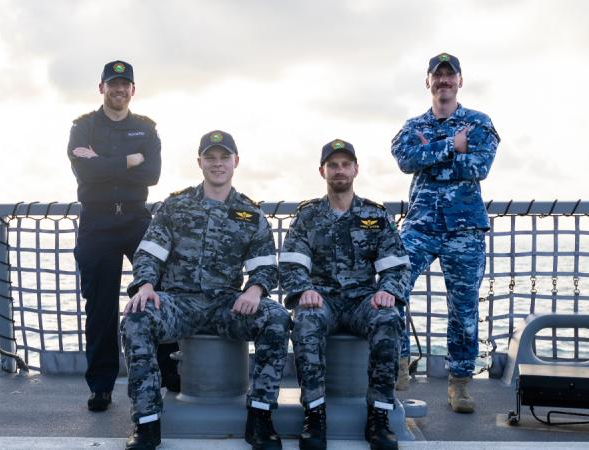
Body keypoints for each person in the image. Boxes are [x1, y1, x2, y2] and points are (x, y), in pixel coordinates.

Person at [120, 130, 291, 450]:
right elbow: (149, 254)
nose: (217, 164)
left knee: (277, 318)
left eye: (224, 157)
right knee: (135, 317)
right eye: (210, 157)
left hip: (226, 303)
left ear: (235, 162)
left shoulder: (250, 213)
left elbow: (265, 266)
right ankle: (146, 424)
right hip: (178, 302)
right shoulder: (175, 206)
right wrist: (144, 285)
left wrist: (254, 290)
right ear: (199, 162)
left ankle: (260, 417)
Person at [280, 139, 409, 450]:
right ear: (322, 171)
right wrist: (304, 290)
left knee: (388, 318)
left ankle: (379, 416)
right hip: (321, 300)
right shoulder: (308, 217)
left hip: (363, 301)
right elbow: (291, 264)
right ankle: (314, 414)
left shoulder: (375, 216)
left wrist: (388, 291)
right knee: (306, 321)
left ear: (355, 169)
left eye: (345, 164)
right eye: (333, 165)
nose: (339, 170)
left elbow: (397, 267)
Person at [390, 52, 500, 412]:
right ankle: (398, 364)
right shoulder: (411, 126)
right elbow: (406, 159)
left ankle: (460, 384)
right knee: (392, 288)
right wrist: (452, 146)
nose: (444, 81)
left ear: (460, 81)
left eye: (450, 76)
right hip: (420, 225)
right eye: (437, 76)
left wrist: (430, 151)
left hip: (464, 228)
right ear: (428, 82)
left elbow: (480, 166)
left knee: (463, 308)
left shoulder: (479, 122)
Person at [67, 60, 178, 412]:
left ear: (133, 90)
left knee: (157, 292)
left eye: (125, 84)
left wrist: (104, 163)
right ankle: (101, 385)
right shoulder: (82, 127)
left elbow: (152, 174)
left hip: (135, 219)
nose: (119, 89)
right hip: (97, 222)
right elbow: (84, 168)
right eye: (112, 84)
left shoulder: (146, 129)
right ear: (101, 88)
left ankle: (166, 371)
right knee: (99, 306)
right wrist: (128, 160)